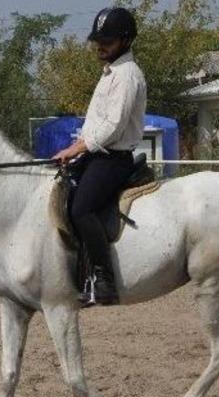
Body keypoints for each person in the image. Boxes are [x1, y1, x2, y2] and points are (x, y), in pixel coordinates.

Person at [52, 7, 147, 307]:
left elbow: (112, 127)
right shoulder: (109, 74)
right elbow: (94, 123)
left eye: (107, 40)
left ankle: (104, 279)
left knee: (81, 209)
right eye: (98, 39)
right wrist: (78, 148)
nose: (99, 45)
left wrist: (75, 149)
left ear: (126, 40)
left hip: (113, 159)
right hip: (96, 155)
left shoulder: (127, 76)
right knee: (62, 194)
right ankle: (76, 273)